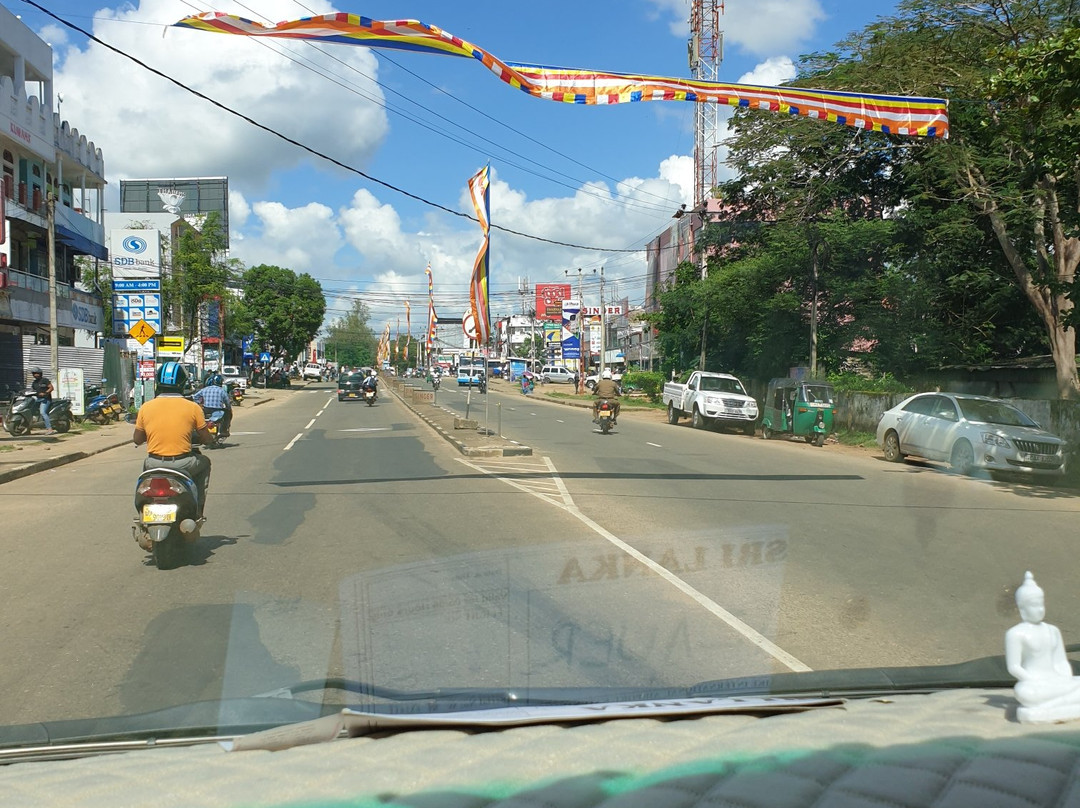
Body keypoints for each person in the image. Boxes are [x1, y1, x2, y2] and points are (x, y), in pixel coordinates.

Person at [133, 362, 214, 518]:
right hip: (183, 463)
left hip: (153, 463)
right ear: (183, 383)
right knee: (205, 462)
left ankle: (144, 509)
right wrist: (210, 441)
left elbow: (137, 439)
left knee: (145, 475)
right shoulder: (193, 407)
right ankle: (198, 509)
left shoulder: (146, 407)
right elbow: (205, 437)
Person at [1005, 571, 1080, 723]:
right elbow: (1014, 667)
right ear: (1022, 607)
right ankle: (1057, 705)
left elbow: (1061, 662)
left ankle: (1050, 707)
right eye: (1034, 605)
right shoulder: (1015, 634)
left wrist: (1064, 678)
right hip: (1034, 684)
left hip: (1057, 681)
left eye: (1041, 604)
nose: (1040, 609)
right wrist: (1034, 680)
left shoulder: (1053, 631)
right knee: (1026, 693)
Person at [192, 373, 232, 438]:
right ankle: (224, 431)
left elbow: (195, 397)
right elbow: (227, 402)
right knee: (228, 414)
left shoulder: (205, 389)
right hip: (218, 410)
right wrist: (228, 408)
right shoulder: (222, 391)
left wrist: (198, 403)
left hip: (206, 410)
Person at [29, 366, 55, 434]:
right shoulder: (34, 383)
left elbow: (51, 388)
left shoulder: (45, 380)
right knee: (29, 411)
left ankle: (50, 429)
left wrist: (45, 393)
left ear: (40, 373)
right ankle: (28, 428)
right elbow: (32, 391)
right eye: (33, 373)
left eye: (36, 373)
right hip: (37, 399)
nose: (35, 375)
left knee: (43, 412)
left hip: (45, 399)